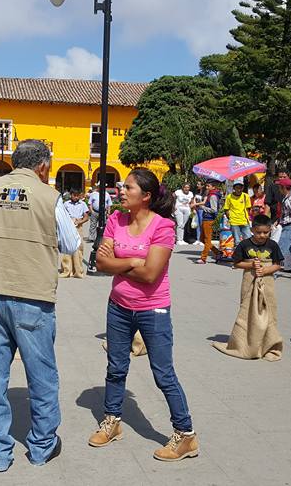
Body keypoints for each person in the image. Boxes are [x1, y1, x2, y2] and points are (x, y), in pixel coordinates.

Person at [0, 140, 80, 472]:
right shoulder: (50, 198)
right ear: (43, 166)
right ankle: (40, 447)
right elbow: (71, 243)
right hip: (33, 295)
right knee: (42, 376)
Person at [88, 168, 198, 461]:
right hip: (118, 307)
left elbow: (151, 274)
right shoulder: (115, 219)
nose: (121, 191)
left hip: (153, 310)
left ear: (146, 196)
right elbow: (99, 263)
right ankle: (112, 421)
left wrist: (119, 261)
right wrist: (134, 259)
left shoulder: (162, 226)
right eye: (122, 187)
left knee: (163, 373)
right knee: (116, 367)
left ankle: (185, 434)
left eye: (129, 188)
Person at [215, 214, 284, 361]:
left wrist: (266, 270)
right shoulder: (244, 244)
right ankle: (246, 344)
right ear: (252, 230)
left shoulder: (273, 245)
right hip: (249, 279)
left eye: (266, 232)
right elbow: (236, 263)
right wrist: (251, 265)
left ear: (270, 230)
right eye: (258, 232)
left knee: (268, 311)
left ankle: (267, 345)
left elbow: (278, 264)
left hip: (268, 281)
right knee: (247, 310)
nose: (262, 235)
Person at [274, 178, 291, 273]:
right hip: (289, 227)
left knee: (280, 250)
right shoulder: (286, 198)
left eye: (279, 187)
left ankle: (271, 273)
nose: (278, 189)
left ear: (283, 187)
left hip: (290, 227)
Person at [61, 188, 90, 278]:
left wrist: (80, 221)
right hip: (68, 226)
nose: (76, 197)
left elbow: (86, 217)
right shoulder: (66, 204)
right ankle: (66, 270)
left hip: (78, 226)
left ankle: (77, 270)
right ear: (71, 195)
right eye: (74, 195)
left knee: (78, 248)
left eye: (78, 196)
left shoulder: (82, 204)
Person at [195, 183, 221, 264]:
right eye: (206, 186)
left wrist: (202, 207)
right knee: (202, 239)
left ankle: (203, 258)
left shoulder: (213, 196)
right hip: (206, 218)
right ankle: (218, 253)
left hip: (209, 219)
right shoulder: (210, 195)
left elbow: (214, 210)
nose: (207, 187)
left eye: (208, 186)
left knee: (207, 239)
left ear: (213, 186)